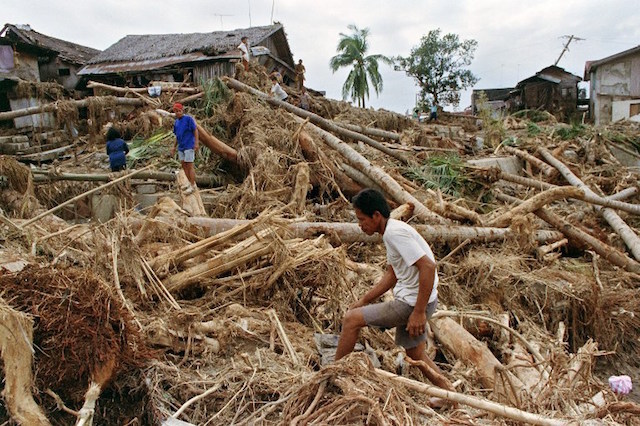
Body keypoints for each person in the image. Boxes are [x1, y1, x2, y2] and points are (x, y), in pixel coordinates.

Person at [335, 188, 456, 396]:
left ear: (376, 216)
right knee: (416, 355)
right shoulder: (392, 231)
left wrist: (418, 313)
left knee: (351, 320)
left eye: (362, 219)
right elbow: (392, 275)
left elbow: (428, 267)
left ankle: (333, 376)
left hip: (412, 303)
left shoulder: (394, 233)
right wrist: (363, 300)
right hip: (419, 300)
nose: (360, 225)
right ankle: (450, 395)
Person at [171, 103, 199, 195]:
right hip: (181, 146)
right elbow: (177, 136)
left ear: (182, 111)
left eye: (179, 111)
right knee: (184, 165)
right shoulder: (176, 122)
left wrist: (196, 143)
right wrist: (174, 147)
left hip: (189, 145)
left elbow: (195, 130)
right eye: (176, 111)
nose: (178, 113)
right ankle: (188, 182)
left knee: (189, 165)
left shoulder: (188, 119)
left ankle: (193, 185)